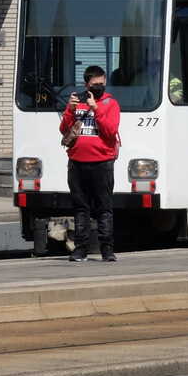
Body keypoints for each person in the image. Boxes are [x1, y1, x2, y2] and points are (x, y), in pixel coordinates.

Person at [58, 64, 121, 263]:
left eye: (102, 84)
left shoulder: (110, 103)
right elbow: (64, 129)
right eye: (95, 84)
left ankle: (107, 249)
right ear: (87, 84)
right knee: (81, 208)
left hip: (102, 163)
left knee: (104, 207)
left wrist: (97, 109)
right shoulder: (79, 102)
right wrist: (70, 109)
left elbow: (110, 131)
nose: (99, 88)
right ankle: (80, 248)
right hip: (77, 162)